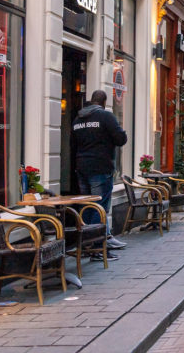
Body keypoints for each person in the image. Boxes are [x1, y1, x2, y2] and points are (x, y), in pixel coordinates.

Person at [69, 90, 129, 256]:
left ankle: (86, 244)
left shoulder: (77, 119)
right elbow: (121, 139)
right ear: (103, 102)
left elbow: (72, 144)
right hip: (100, 167)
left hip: (82, 167)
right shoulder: (105, 116)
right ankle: (97, 246)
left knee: (86, 206)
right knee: (99, 206)